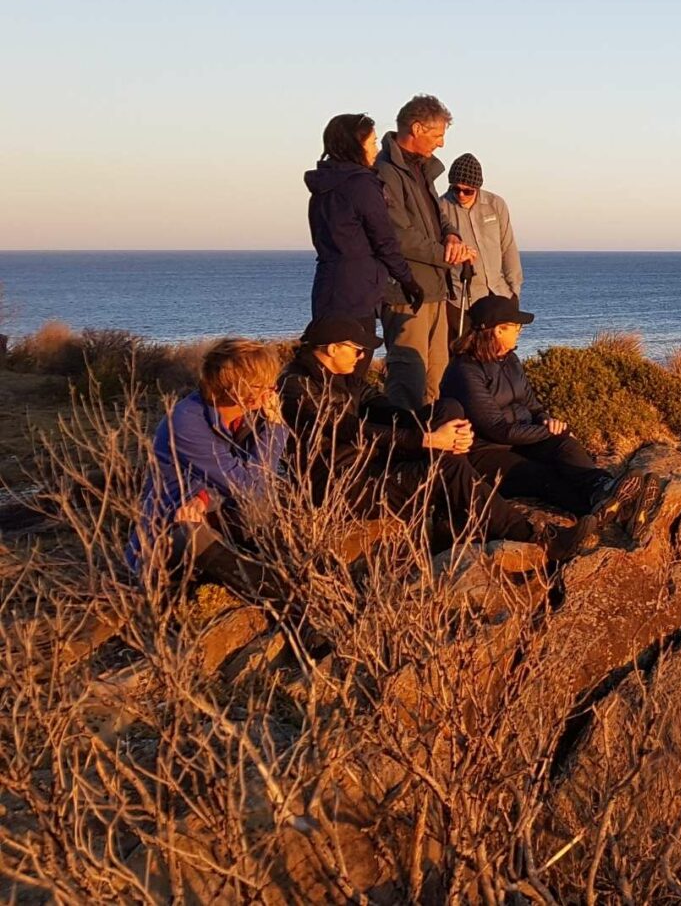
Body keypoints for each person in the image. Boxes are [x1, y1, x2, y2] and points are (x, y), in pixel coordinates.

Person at [278, 316, 566, 548]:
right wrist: (426, 439)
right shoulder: (295, 387)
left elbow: (385, 410)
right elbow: (349, 430)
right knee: (447, 468)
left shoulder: (345, 378)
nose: (363, 355)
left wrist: (442, 431)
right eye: (356, 349)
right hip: (343, 482)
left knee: (448, 408)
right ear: (332, 348)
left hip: (373, 461)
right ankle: (532, 536)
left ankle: (448, 522)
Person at [127, 338, 290, 594]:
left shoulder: (246, 418)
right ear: (241, 392)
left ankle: (274, 577)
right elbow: (250, 487)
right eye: (267, 385)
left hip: (218, 516)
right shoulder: (186, 423)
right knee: (194, 534)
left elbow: (251, 483)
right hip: (170, 535)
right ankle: (270, 586)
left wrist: (204, 498)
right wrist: (276, 430)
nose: (273, 391)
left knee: (274, 507)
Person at [441, 296, 610, 514]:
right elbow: (498, 430)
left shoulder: (511, 360)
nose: (520, 330)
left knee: (566, 446)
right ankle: (592, 512)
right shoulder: (465, 371)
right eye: (515, 326)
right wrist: (546, 433)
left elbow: (533, 406)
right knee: (541, 474)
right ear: (497, 330)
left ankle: (605, 489)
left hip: (522, 439)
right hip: (486, 451)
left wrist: (547, 420)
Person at [306, 113, 424, 377]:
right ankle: (345, 418)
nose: (376, 149)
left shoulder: (322, 186)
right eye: (371, 143)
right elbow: (384, 240)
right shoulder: (361, 184)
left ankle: (323, 416)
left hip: (327, 286)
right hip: (356, 292)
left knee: (326, 370)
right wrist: (409, 281)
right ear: (354, 145)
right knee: (353, 369)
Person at [375, 94, 473, 411]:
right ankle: (405, 446)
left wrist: (453, 235)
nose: (442, 144)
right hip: (405, 291)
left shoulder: (421, 169)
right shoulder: (386, 172)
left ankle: (435, 448)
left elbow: (437, 216)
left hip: (433, 287)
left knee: (437, 374)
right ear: (417, 128)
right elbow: (397, 236)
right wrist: (446, 254)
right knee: (408, 374)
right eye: (438, 135)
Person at [439, 153, 523, 326]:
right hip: (460, 300)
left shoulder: (496, 204)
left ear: (477, 187)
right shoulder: (440, 208)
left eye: (467, 190)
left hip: (499, 294)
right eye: (456, 189)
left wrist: (514, 291)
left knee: (498, 351)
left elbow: (508, 247)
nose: (461, 195)